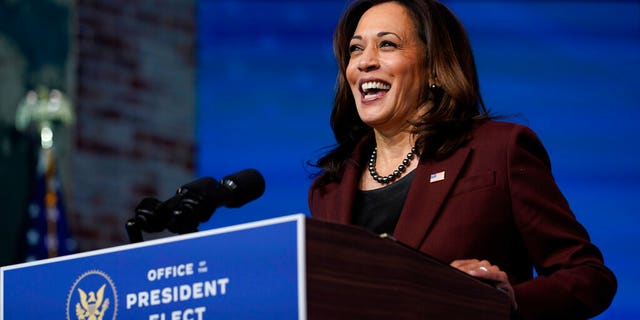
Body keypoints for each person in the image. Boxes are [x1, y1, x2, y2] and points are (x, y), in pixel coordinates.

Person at [307, 0, 617, 319]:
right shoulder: (329, 190)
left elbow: (589, 278)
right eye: (356, 49)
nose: (364, 62)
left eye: (387, 44)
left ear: (435, 69)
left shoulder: (499, 151)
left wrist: (507, 302)